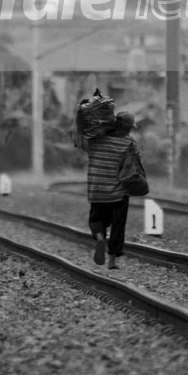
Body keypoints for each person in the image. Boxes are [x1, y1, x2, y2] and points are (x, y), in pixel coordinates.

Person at [83, 110, 136, 270]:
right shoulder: (129, 143)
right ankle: (112, 260)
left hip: (97, 189)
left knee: (96, 220)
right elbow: (134, 165)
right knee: (118, 226)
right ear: (126, 128)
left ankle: (100, 237)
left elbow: (80, 139)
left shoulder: (95, 139)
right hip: (119, 193)